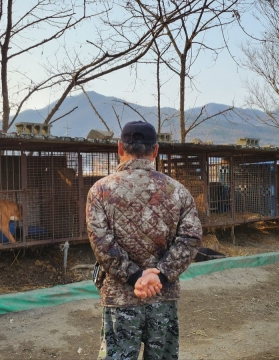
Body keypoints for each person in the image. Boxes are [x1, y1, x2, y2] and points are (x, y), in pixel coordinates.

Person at [86, 121, 202, 360]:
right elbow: (190, 238)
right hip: (163, 295)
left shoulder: (100, 191)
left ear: (120, 148)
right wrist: (158, 275)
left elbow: (102, 243)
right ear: (156, 150)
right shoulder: (178, 191)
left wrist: (135, 278)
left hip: (119, 298)